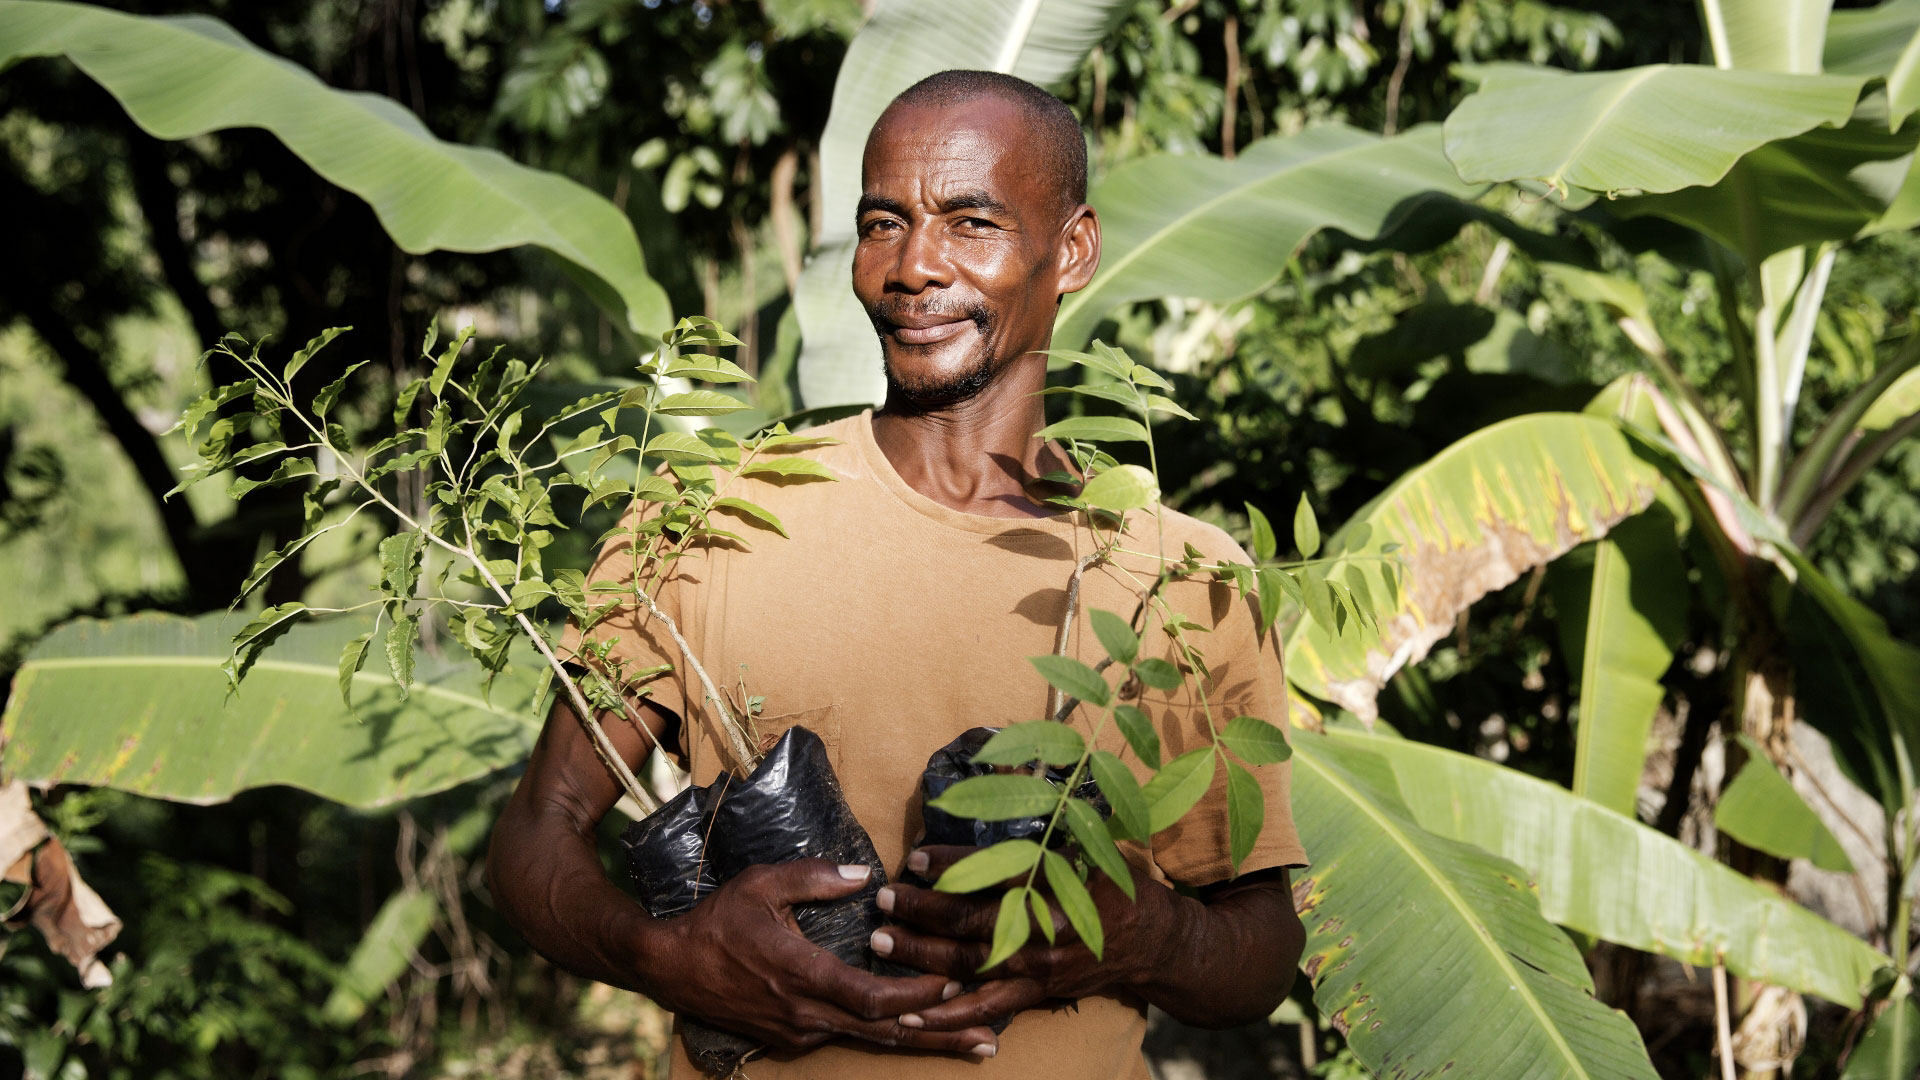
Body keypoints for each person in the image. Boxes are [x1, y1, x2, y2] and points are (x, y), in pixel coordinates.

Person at [487, 69, 1308, 1078]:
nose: (913, 266)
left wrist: (1145, 937)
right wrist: (666, 956)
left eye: (970, 222)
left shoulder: (1183, 582)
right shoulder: (711, 518)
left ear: (1075, 248)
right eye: (884, 222)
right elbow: (535, 834)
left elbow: (1260, 943)